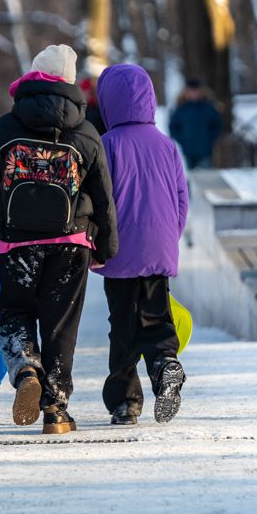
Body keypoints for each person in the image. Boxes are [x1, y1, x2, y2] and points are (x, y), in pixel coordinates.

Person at [0, 44, 117, 435]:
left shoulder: (3, 128)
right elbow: (103, 196)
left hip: (15, 242)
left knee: (14, 311)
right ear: (70, 83)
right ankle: (55, 410)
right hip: (71, 242)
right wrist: (107, 246)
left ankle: (26, 369)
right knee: (60, 324)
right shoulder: (86, 132)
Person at [94, 64, 189, 426]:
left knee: (123, 325)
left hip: (118, 252)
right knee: (157, 316)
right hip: (158, 247)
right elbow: (181, 199)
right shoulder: (166, 145)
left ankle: (124, 401)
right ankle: (166, 363)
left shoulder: (107, 144)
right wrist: (167, 238)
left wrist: (96, 247)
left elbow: (101, 200)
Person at [169, 78, 223, 169]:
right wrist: (183, 140)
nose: (194, 93)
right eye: (191, 91)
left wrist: (210, 139)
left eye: (196, 90)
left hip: (205, 150)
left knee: (205, 177)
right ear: (186, 92)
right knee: (191, 178)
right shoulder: (181, 109)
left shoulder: (208, 107)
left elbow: (217, 125)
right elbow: (173, 127)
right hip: (188, 151)